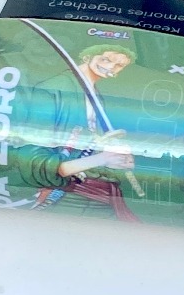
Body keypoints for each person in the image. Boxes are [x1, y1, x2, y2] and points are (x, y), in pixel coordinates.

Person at [12, 42, 141, 220]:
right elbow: (33, 160)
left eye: (119, 65)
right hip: (62, 193)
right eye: (106, 59)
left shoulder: (96, 96)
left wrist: (114, 159)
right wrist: (102, 159)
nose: (111, 67)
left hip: (90, 188)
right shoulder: (53, 89)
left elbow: (87, 147)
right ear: (87, 57)